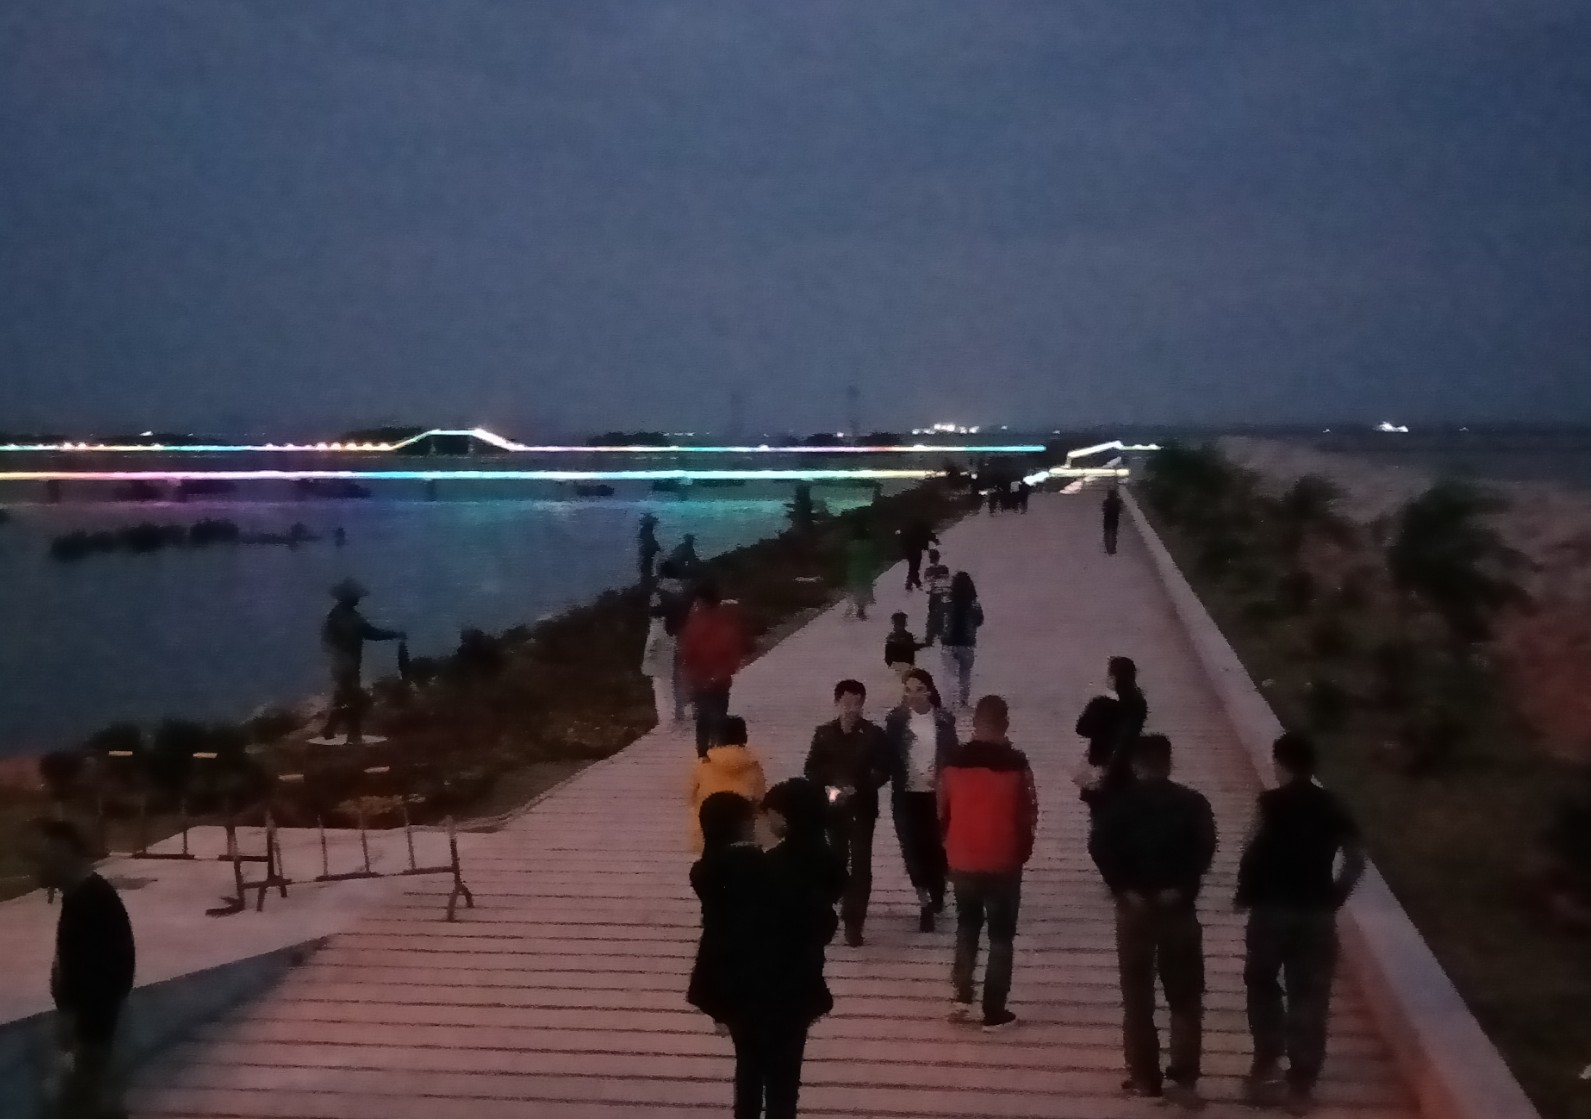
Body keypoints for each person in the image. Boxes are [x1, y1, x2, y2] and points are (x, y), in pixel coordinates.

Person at [1236, 733, 1367, 1115]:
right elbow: (1356, 860)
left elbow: (1250, 849)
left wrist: (1246, 892)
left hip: (1271, 911)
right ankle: (1301, 1084)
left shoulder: (1270, 803)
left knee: (1262, 985)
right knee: (1310, 996)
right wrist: (1334, 898)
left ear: (1281, 763)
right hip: (1315, 914)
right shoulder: (1334, 806)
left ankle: (1265, 1064)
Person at [1089, 734, 1217, 1110]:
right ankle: (1184, 1079)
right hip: (1178, 909)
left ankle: (1145, 1078)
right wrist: (1181, 887)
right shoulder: (1193, 803)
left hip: (1134, 909)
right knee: (1185, 998)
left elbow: (1099, 846)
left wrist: (1123, 888)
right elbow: (1204, 849)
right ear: (1169, 762)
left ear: (1136, 765)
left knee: (1138, 998)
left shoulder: (1119, 804)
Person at [22, 818, 136, 1119]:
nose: (37, 865)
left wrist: (78, 1027)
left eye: (42, 856)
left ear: (62, 851)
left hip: (93, 1036)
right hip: (91, 1035)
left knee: (82, 1106)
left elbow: (110, 974)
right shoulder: (81, 898)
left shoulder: (92, 901)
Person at [940, 696, 1038, 1032]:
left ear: (974, 723)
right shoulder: (1016, 763)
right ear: (1005, 723)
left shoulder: (953, 760)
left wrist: (948, 846)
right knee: (1000, 936)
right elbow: (1028, 813)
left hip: (962, 858)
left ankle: (961, 998)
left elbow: (941, 810)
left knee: (967, 926)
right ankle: (994, 1012)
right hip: (1003, 860)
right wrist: (1022, 852)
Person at [753, 779, 847, 1118]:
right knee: (788, 1068)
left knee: (757, 1068)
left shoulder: (772, 864)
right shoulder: (829, 860)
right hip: (805, 977)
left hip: (765, 980)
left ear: (786, 817)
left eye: (769, 814)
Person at [686, 792, 770, 1114]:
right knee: (769, 1065)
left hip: (724, 975)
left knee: (747, 1060)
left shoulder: (704, 869)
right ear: (742, 825)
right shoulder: (757, 866)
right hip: (762, 975)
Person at [804, 680, 892, 946]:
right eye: (846, 703)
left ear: (863, 704)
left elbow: (883, 770)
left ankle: (855, 921)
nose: (851, 708)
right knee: (837, 860)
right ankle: (833, 911)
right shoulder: (824, 734)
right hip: (833, 808)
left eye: (856, 703)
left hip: (862, 807)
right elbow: (811, 768)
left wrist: (859, 787)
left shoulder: (873, 734)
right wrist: (828, 786)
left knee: (861, 863)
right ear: (837, 703)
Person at [884, 669, 957, 932]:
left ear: (929, 691)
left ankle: (937, 891)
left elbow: (954, 756)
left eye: (919, 690)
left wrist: (942, 776)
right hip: (906, 794)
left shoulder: (944, 720)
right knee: (912, 849)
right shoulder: (895, 720)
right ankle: (924, 903)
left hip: (936, 795)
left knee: (937, 849)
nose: (913, 695)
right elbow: (888, 756)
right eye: (908, 690)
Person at [319, 579, 405, 746]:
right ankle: (353, 734)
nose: (358, 599)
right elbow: (371, 633)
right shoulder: (349, 617)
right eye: (355, 596)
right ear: (348, 597)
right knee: (356, 700)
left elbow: (327, 641)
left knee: (345, 698)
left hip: (343, 665)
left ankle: (331, 729)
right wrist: (394, 634)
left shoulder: (337, 615)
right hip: (347, 665)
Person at [679, 582, 752, 756]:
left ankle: (703, 757)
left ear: (701, 601)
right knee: (718, 718)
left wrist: (692, 679)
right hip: (720, 679)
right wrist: (721, 673)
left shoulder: (694, 623)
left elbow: (687, 654)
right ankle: (720, 755)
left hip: (701, 681)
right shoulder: (725, 621)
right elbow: (734, 652)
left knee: (703, 720)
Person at [1072, 656, 1149, 817]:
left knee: (1100, 813)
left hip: (1100, 764)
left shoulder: (1101, 704)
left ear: (1113, 677)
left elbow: (1082, 729)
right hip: (1127, 766)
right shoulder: (1138, 703)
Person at [686, 716, 768, 853]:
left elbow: (691, 795)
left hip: (708, 830)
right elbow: (760, 797)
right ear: (744, 736)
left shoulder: (704, 763)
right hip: (742, 830)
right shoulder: (753, 765)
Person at [939, 572, 984, 709]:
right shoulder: (974, 605)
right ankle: (963, 701)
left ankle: (950, 703)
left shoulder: (947, 603)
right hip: (967, 644)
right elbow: (979, 621)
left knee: (949, 674)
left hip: (948, 644)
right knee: (965, 674)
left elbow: (938, 620)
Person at [641, 594, 678, 729]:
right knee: (669, 691)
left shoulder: (655, 629)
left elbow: (651, 647)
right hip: (668, 664)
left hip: (657, 666)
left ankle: (664, 721)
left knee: (660, 694)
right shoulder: (668, 627)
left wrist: (647, 661)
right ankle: (672, 717)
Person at [842, 521, 879, 621]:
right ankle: (861, 608)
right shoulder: (869, 545)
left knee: (855, 589)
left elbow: (845, 557)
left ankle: (855, 606)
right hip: (865, 570)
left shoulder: (850, 546)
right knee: (864, 589)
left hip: (853, 569)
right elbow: (874, 557)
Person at [898, 520, 939, 592]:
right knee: (915, 565)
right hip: (916, 548)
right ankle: (915, 582)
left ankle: (911, 582)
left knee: (913, 565)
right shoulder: (921, 525)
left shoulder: (909, 526)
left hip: (910, 549)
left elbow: (903, 538)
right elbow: (927, 534)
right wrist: (935, 540)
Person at [922, 549, 951, 646]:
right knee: (942, 614)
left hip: (934, 596)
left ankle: (930, 637)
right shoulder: (944, 569)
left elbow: (927, 587)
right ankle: (940, 632)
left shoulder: (928, 571)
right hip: (942, 595)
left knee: (932, 615)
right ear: (938, 558)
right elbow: (947, 582)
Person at [884, 612, 921, 679]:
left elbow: (888, 657)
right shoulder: (908, 636)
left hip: (897, 665)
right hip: (904, 665)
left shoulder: (892, 638)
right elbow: (911, 652)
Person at [638, 513, 662, 586]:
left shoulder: (645, 533)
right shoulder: (646, 533)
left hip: (648, 552)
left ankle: (647, 581)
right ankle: (647, 580)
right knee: (647, 565)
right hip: (648, 552)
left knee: (646, 565)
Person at [1102, 486, 1124, 555]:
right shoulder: (1118, 501)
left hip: (1107, 519)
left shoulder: (1106, 501)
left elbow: (1103, 510)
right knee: (1114, 534)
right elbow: (1121, 510)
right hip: (1115, 519)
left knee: (1106, 534)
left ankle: (1107, 548)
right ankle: (1113, 549)